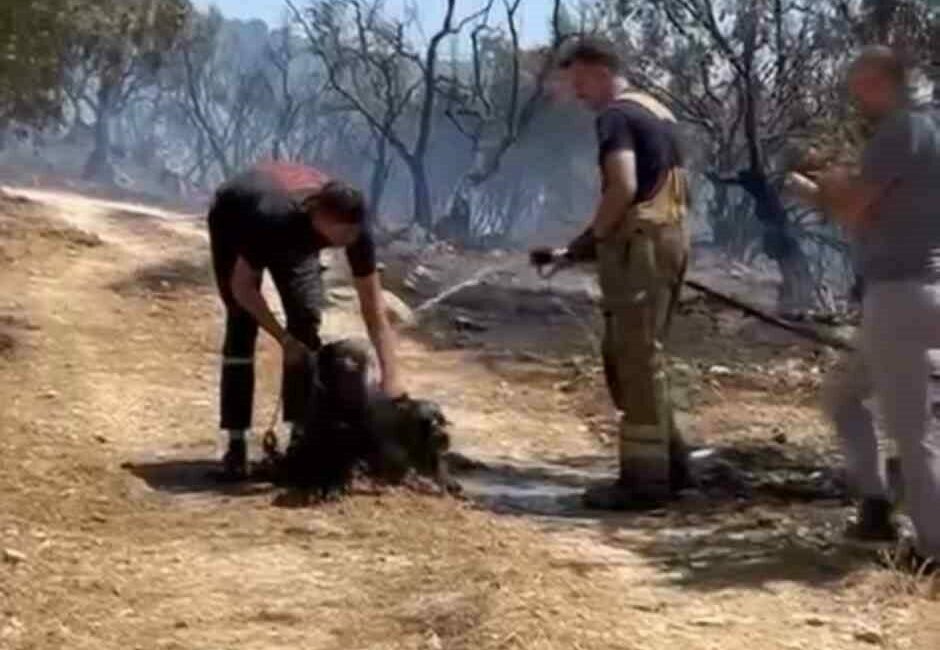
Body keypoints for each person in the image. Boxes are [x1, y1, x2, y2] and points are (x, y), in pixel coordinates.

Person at [786, 46, 940, 571]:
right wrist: (830, 192)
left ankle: (933, 548)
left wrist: (821, 188)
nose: (856, 96)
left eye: (861, 84)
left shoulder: (902, 130)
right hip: (911, 292)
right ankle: (874, 506)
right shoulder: (922, 132)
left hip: (900, 295)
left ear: (883, 82)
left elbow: (854, 207)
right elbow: (874, 210)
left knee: (911, 431)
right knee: (842, 397)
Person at [548, 38, 691, 509]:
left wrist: (592, 238)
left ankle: (644, 483)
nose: (577, 94)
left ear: (600, 71)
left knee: (633, 360)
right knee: (647, 355)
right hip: (670, 241)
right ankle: (674, 463)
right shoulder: (658, 110)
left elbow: (624, 185)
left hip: (641, 248)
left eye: (579, 82)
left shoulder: (615, 117)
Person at [207, 161, 403, 480]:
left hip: (294, 229)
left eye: (355, 232)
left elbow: (373, 308)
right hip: (236, 213)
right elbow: (242, 288)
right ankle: (236, 443)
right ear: (322, 219)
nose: (350, 240)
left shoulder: (354, 231)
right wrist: (282, 338)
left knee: (306, 321)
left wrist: (391, 377)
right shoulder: (272, 220)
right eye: (344, 233)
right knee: (241, 322)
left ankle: (299, 437)